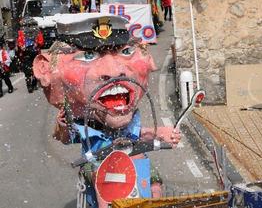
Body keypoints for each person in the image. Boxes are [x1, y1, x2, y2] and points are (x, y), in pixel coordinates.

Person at [33, 14, 180, 204]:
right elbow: (64, 137)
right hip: (96, 164)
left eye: (125, 52)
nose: (113, 71)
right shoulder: (81, 120)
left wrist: (160, 133)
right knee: (102, 187)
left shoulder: (129, 113)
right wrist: (61, 126)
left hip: (131, 157)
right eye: (88, 56)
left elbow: (138, 134)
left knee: (155, 184)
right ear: (46, 70)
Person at [17, 18, 44, 93]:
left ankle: (32, 85)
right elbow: (19, 42)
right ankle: (31, 85)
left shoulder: (36, 32)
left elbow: (41, 42)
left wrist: (36, 44)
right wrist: (22, 46)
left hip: (31, 53)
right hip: (29, 53)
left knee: (32, 70)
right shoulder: (23, 32)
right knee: (31, 70)